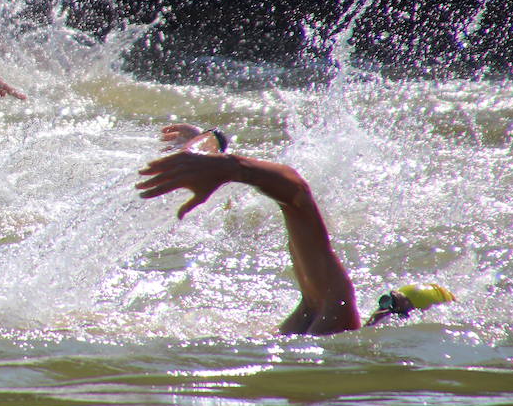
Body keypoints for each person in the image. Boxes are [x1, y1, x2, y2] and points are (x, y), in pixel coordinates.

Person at [136, 124, 454, 336]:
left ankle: (210, 151)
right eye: (387, 301)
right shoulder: (336, 319)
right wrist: (228, 167)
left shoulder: (330, 331)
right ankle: (210, 153)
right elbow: (298, 195)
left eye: (392, 306)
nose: (381, 311)